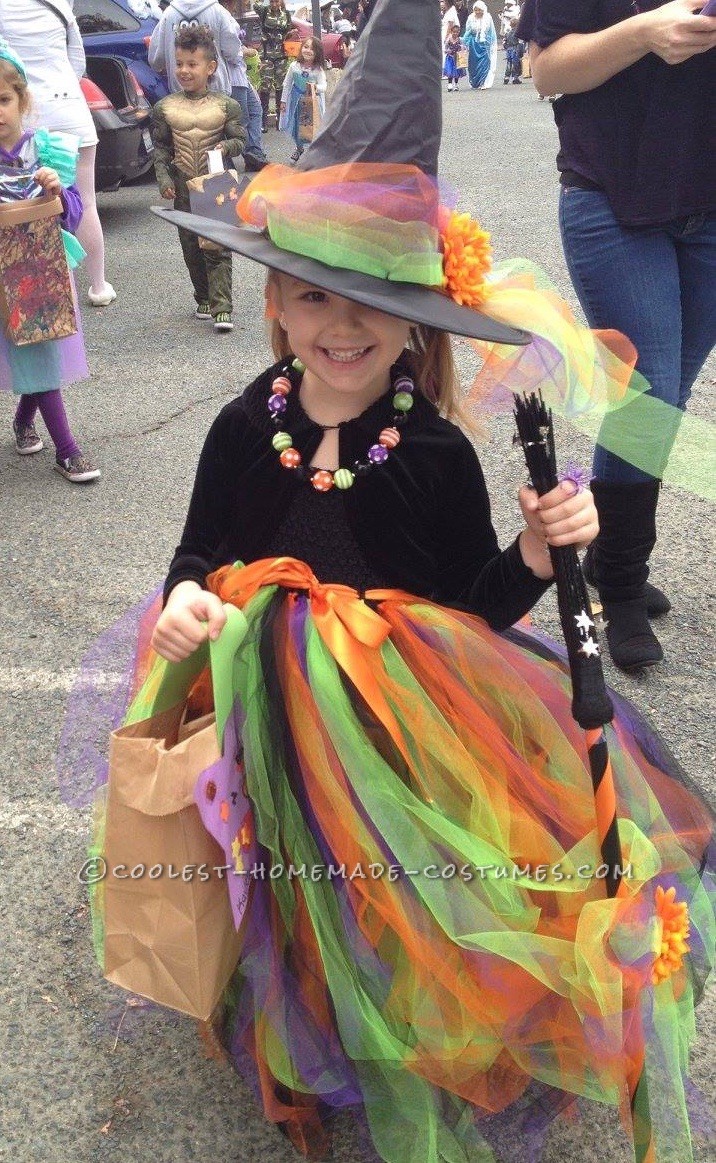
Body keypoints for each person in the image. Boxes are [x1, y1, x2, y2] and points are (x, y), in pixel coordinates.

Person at [142, 3, 713, 1160]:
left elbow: (470, 605)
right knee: (294, 876)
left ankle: (409, 1002)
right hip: (273, 713)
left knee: (400, 884)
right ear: (274, 306)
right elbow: (196, 552)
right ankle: (305, 996)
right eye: (311, 298)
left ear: (416, 329)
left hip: (412, 730)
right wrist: (182, 602)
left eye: (372, 308)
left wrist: (539, 556)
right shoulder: (240, 428)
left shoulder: (436, 451)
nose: (339, 327)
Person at [523, 0, 716, 672]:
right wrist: (643, 32)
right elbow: (545, 70)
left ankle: (608, 556)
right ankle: (623, 583)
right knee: (648, 393)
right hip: (612, 197)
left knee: (668, 393)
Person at [0, 40, 100, 482]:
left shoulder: (48, 149)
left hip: (42, 267)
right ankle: (32, 425)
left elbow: (74, 215)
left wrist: (55, 191)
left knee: (39, 349)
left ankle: (62, 445)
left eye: (3, 99)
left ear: (22, 99)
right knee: (29, 353)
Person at [0, 0, 116, 308]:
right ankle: (98, 284)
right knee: (84, 201)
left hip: (21, 110)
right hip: (69, 104)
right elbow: (76, 57)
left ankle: (29, 287)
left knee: (24, 205)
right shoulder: (59, 2)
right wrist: (62, 84)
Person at [150, 25, 245, 332]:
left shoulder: (226, 106)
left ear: (210, 67)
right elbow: (161, 149)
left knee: (217, 245)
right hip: (182, 185)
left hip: (215, 183)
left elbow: (241, 141)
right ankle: (203, 296)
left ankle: (223, 307)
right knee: (191, 246)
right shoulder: (164, 108)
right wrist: (164, 178)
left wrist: (226, 145)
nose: (184, 70)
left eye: (192, 64)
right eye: (179, 64)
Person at [148, 0, 243, 95]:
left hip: (181, 92)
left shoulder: (168, 14)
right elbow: (232, 52)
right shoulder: (218, 11)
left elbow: (156, 60)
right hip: (216, 91)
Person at [218, 0, 269, 170]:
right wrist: (244, 52)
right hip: (232, 77)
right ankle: (247, 154)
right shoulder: (220, 14)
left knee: (256, 110)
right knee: (242, 119)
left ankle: (254, 151)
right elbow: (230, 52)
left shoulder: (228, 15)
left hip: (241, 75)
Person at [279, 36, 327, 163]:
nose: (308, 51)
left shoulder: (318, 70)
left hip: (311, 103)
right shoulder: (294, 66)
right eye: (306, 47)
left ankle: (314, 152)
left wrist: (316, 88)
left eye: (312, 49)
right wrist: (283, 101)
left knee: (312, 127)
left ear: (317, 53)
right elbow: (287, 84)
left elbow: (324, 86)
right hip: (296, 102)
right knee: (297, 127)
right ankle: (299, 148)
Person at [256, 0, 292, 132]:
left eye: (276, 1)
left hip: (281, 56)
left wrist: (289, 35)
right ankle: (263, 122)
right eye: (272, 1)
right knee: (265, 87)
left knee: (280, 86)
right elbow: (255, 4)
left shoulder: (286, 14)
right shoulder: (264, 11)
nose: (274, 4)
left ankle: (280, 121)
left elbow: (287, 31)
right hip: (266, 55)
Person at [464, 0, 497, 88]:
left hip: (484, 44)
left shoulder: (488, 18)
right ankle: (475, 82)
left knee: (484, 64)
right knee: (473, 64)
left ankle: (483, 82)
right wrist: (465, 42)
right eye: (476, 10)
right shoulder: (471, 18)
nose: (478, 12)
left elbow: (491, 33)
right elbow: (468, 31)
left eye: (480, 10)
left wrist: (488, 42)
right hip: (473, 44)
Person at [443, 23, 465, 91]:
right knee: (450, 71)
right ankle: (449, 84)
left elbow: (464, 47)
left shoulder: (460, 39)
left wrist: (462, 48)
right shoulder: (449, 40)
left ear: (459, 32)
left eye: (457, 32)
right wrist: (447, 51)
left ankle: (456, 84)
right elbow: (445, 48)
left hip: (458, 58)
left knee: (457, 71)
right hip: (450, 57)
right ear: (451, 32)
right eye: (454, 32)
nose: (455, 33)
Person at [503, 15, 524, 83]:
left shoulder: (507, 33)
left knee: (509, 63)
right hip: (515, 49)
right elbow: (520, 42)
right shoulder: (518, 33)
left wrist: (506, 47)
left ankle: (506, 77)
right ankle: (515, 78)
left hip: (509, 49)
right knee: (515, 64)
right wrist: (522, 51)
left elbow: (504, 42)